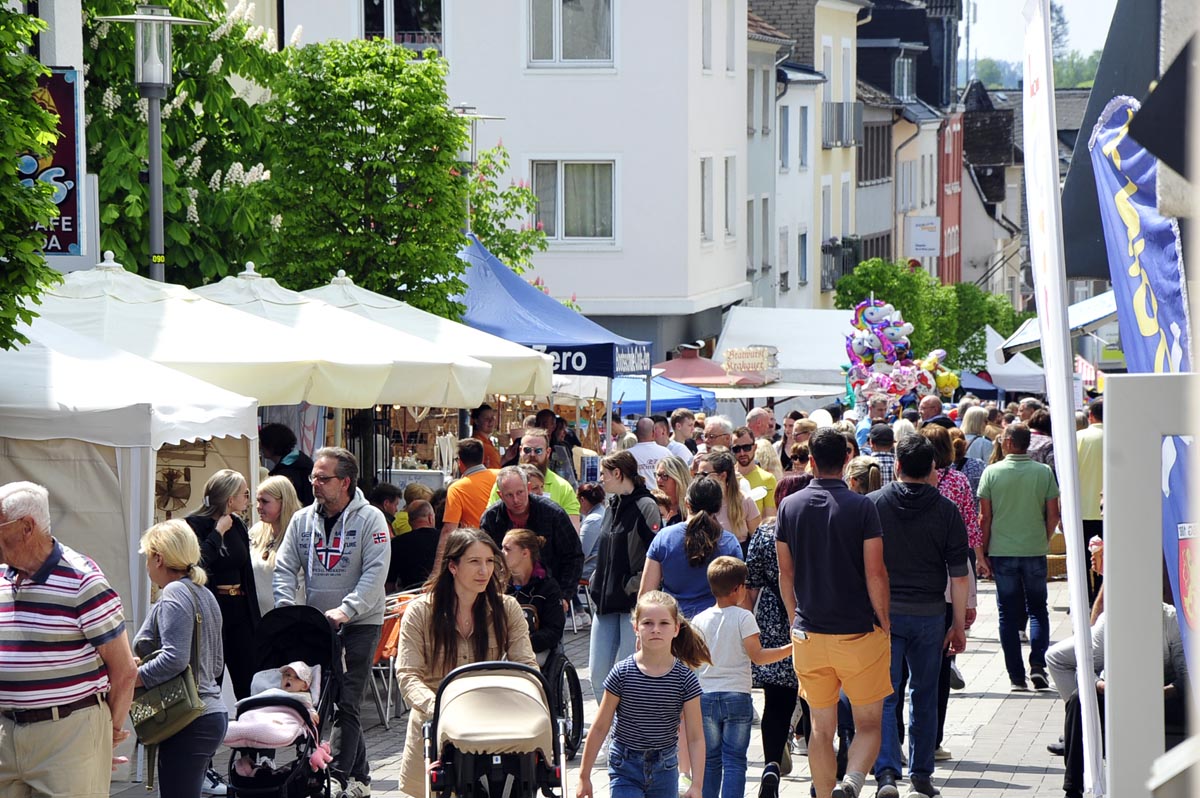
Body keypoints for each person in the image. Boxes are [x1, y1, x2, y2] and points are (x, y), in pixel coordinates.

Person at [0, 482, 137, 797]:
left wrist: (107, 733)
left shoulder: (82, 582)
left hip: (67, 734)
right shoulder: (3, 577)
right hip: (7, 733)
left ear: (26, 527)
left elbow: (125, 670)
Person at [775, 428, 892, 798]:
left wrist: (795, 617)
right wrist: (884, 619)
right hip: (858, 630)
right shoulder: (862, 507)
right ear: (846, 460)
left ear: (810, 460)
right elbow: (876, 572)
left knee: (820, 730)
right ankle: (854, 781)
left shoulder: (789, 506)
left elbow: (786, 573)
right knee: (869, 724)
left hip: (810, 633)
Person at [274, 447, 390, 798]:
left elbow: (376, 570)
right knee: (329, 698)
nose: (315, 484)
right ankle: (363, 778)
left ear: (346, 482)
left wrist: (349, 609)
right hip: (317, 623)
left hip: (361, 622)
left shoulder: (370, 519)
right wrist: (285, 609)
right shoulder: (302, 519)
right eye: (314, 478)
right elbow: (285, 566)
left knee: (348, 699)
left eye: (324, 479)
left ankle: (337, 775)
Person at [396, 529, 537, 798]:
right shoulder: (421, 612)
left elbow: (527, 667)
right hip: (435, 718)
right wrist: (438, 708)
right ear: (453, 566)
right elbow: (407, 675)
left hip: (489, 719)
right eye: (474, 562)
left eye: (489, 561)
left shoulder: (507, 609)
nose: (484, 570)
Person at [869, 436, 969, 798]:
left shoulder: (874, 505)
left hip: (884, 615)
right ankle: (921, 773)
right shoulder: (946, 510)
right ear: (932, 470)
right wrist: (957, 624)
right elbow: (959, 575)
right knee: (925, 695)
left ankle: (886, 773)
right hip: (930, 615)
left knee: (885, 695)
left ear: (896, 466)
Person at [577, 591, 710, 798]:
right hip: (625, 765)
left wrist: (697, 785)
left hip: (665, 768)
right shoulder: (622, 673)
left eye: (664, 623)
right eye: (648, 623)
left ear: (676, 629)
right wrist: (584, 776)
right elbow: (601, 726)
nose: (655, 629)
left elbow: (695, 736)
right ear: (635, 627)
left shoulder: (685, 678)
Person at [134, 520, 227, 798]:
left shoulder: (175, 592)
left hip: (189, 717)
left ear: (159, 558)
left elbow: (175, 659)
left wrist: (135, 677)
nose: (147, 565)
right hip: (210, 712)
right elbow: (217, 663)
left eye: (148, 557)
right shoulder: (204, 593)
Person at [693, 557, 793, 798]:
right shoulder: (744, 618)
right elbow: (757, 656)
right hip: (737, 696)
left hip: (706, 697)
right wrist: (792, 648)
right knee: (735, 760)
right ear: (737, 589)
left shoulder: (699, 619)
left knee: (711, 760)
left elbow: (693, 662)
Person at [743, 474, 813, 798]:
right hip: (813, 612)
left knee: (776, 700)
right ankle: (819, 772)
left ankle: (771, 764)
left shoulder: (765, 531)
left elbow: (751, 580)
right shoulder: (817, 529)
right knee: (815, 699)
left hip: (773, 618)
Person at [977, 423, 1060, 692]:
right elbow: (1053, 513)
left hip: (1003, 551)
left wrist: (983, 552)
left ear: (1010, 442)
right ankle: (1038, 665)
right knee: (1038, 609)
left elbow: (985, 517)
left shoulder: (992, 472)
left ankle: (1016, 675)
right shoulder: (1043, 472)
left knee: (1007, 615)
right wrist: (1043, 537)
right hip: (1033, 549)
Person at [588, 451, 663, 703]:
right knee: (598, 675)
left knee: (627, 674)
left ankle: (623, 731)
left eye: (604, 473)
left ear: (617, 473)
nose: (601, 479)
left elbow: (656, 554)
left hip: (631, 603)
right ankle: (609, 730)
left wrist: (632, 585)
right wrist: (597, 580)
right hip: (605, 602)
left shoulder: (646, 506)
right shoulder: (613, 504)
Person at [186, 469, 260, 700]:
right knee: (209, 679)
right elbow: (197, 564)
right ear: (230, 499)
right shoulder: (194, 525)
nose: (248, 499)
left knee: (247, 678)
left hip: (240, 610)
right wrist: (217, 533)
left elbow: (246, 571)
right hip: (211, 611)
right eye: (245, 494)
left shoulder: (238, 525)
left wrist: (254, 617)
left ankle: (250, 729)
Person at [640, 478, 742, 618]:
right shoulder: (729, 542)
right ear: (719, 507)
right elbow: (738, 594)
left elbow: (646, 593)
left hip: (674, 623)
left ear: (687, 503)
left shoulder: (664, 538)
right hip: (715, 624)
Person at [480, 466, 583, 602]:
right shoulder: (491, 518)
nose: (516, 500)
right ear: (500, 495)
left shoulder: (553, 513)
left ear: (528, 488)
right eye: (509, 495)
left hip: (548, 591)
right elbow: (485, 558)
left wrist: (564, 595)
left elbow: (573, 556)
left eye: (520, 492)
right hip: (506, 593)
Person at [488, 428, 582, 529]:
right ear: (520, 451)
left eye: (538, 451)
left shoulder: (563, 487)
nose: (532, 455)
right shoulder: (504, 484)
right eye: (527, 450)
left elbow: (572, 532)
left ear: (548, 452)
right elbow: (491, 521)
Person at [502, 528, 566, 660]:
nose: (501, 553)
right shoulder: (498, 584)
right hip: (501, 649)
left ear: (525, 553)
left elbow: (553, 631)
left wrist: (520, 644)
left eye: (507, 549)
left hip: (535, 650)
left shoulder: (548, 587)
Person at [249, 475, 302, 617]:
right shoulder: (256, 532)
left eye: (265, 502)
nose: (259, 507)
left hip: (291, 619)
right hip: (259, 620)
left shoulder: (301, 534)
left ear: (284, 502)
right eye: (258, 501)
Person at [695, 452, 761, 552]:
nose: (699, 479)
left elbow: (757, 541)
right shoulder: (696, 502)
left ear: (722, 476)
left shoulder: (745, 501)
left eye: (704, 474)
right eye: (697, 475)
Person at [441, 438, 499, 540]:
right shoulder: (502, 475)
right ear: (482, 458)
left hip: (476, 544)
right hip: (503, 542)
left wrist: (441, 555)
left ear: (460, 462)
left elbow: (449, 530)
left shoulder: (457, 489)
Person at [1076, 400, 1104, 603]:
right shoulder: (1123, 435)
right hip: (1111, 511)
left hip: (1082, 509)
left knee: (1082, 560)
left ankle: (1083, 599)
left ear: (1091, 416)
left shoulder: (1079, 437)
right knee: (1107, 559)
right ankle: (1101, 597)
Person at [387, 500, 438, 591]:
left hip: (409, 597)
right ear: (431, 518)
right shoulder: (446, 540)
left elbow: (389, 583)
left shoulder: (397, 543)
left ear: (409, 521)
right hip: (440, 595)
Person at [260, 423, 316, 506]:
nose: (260, 447)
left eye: (262, 443)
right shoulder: (301, 462)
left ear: (271, 445)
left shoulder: (287, 473)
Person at [733, 427, 777, 519]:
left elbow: (770, 518)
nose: (742, 453)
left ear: (755, 447)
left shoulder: (767, 478)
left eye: (746, 448)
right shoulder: (726, 476)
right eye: (736, 449)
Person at [629, 416, 675, 486]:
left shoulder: (628, 455)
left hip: (637, 495)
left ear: (636, 434)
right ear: (653, 433)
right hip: (661, 494)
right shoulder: (666, 452)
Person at [578, 482, 607, 583]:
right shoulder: (603, 513)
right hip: (598, 567)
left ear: (582, 500)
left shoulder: (593, 519)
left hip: (591, 570)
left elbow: (581, 553)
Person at [654, 455, 693, 526]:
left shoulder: (692, 508)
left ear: (678, 478)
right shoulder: (652, 504)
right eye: (658, 475)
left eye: (664, 476)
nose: (659, 480)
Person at [470, 403, 502, 469]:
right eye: (486, 418)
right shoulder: (476, 445)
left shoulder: (488, 442)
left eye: (493, 417)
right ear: (476, 421)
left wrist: (507, 457)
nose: (491, 421)